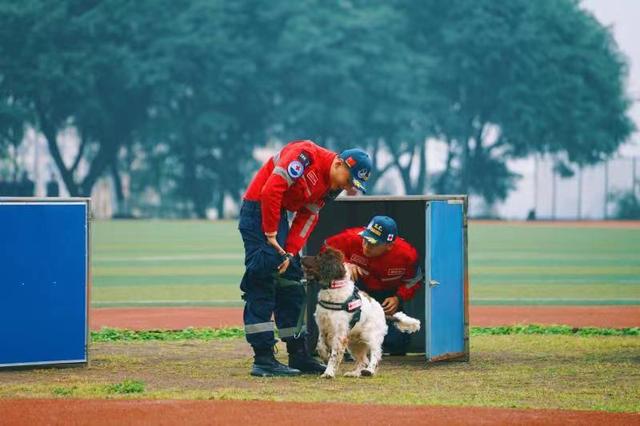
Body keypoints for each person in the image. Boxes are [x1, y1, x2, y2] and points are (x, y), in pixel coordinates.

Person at [238, 139, 372, 376]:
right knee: (263, 279)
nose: (349, 187)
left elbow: (308, 217)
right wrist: (270, 232)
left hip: (277, 216)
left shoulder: (331, 188)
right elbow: (271, 190)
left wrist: (289, 252)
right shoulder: (305, 156)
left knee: (291, 281)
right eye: (349, 179)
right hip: (260, 209)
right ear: (339, 163)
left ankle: (298, 354)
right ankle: (263, 359)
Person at [321, 215, 423, 355]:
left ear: (389, 246)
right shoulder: (351, 237)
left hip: (386, 297)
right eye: (365, 239)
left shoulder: (407, 255)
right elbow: (326, 249)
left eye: (373, 243)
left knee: (398, 343)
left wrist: (398, 298)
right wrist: (344, 264)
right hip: (355, 292)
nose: (366, 246)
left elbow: (414, 281)